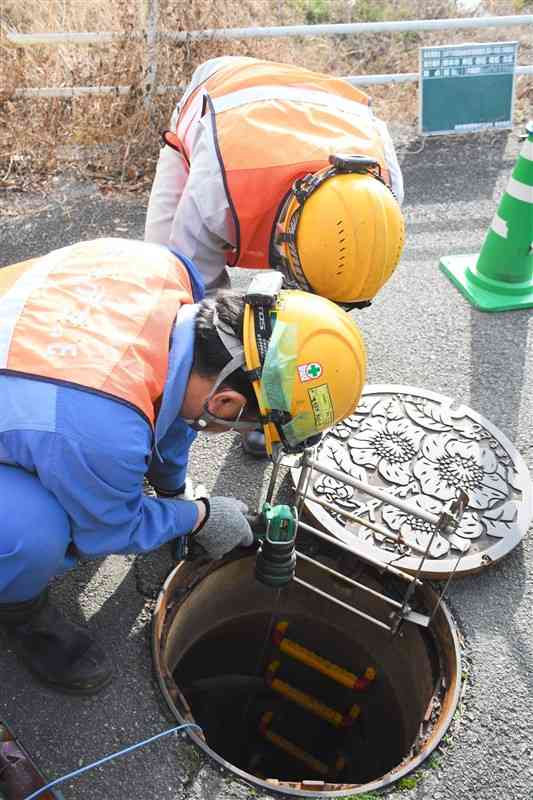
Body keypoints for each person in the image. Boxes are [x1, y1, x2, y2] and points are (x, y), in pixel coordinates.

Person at [0, 238, 367, 696]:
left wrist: (174, 493)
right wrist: (200, 515)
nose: (233, 431)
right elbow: (109, 530)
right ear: (228, 403)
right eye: (241, 425)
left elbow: (175, 400)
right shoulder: (105, 432)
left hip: (35, 375)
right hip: (60, 409)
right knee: (34, 532)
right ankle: (20, 611)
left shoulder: (165, 269)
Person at [145, 55, 404, 455]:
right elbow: (199, 308)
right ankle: (155, 423)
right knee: (167, 292)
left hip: (308, 109)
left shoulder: (382, 191)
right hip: (215, 107)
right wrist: (237, 394)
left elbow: (318, 303)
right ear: (285, 240)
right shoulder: (218, 193)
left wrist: (295, 395)